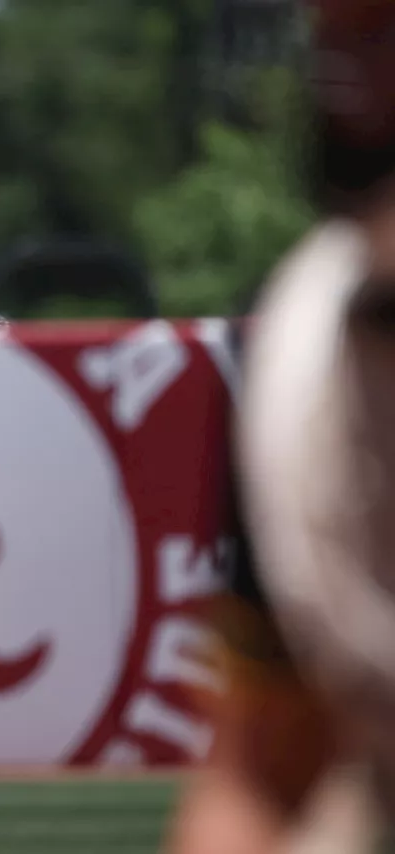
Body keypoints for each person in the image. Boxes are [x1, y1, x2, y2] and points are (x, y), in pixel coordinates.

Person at [166, 3, 395, 851]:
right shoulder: (298, 342)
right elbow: (264, 767)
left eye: (382, 33)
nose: (348, 76)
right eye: (338, 35)